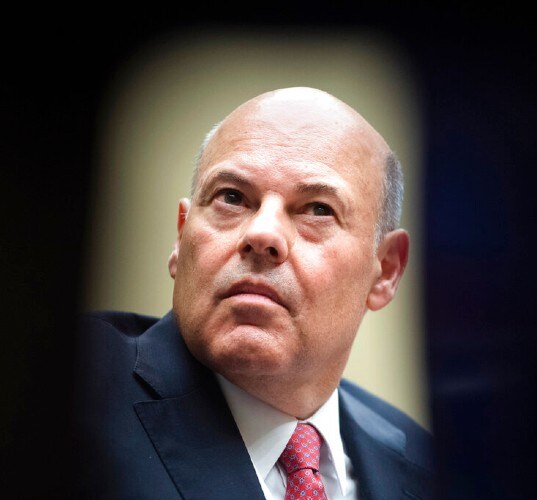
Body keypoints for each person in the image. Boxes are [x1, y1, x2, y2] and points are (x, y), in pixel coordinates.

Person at [72, 87, 432, 499]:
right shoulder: (73, 382)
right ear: (181, 236)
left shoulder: (428, 467)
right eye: (232, 197)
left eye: (317, 209)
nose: (262, 233)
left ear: (385, 270)